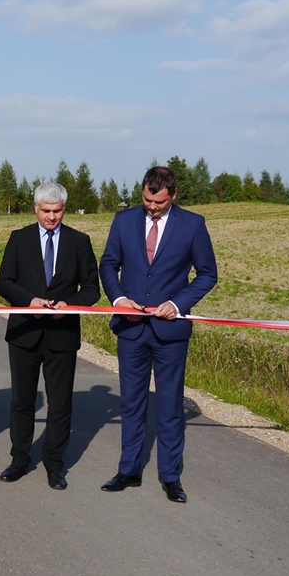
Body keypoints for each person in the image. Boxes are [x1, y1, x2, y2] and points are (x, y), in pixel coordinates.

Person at [99, 166, 218, 503]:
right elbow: (108, 264)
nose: (152, 206)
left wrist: (177, 303)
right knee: (132, 403)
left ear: (173, 195)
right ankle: (128, 471)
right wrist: (119, 298)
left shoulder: (193, 225)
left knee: (169, 406)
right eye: (148, 199)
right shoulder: (123, 221)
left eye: (159, 202)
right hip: (131, 330)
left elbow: (208, 274)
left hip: (171, 333)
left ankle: (170, 477)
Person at [0, 182, 100, 490]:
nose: (51, 217)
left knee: (60, 404)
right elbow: (4, 282)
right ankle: (19, 460)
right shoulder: (19, 239)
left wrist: (71, 306)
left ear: (64, 209)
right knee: (22, 402)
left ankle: (55, 465)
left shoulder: (80, 242)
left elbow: (92, 288)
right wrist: (29, 301)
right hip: (24, 333)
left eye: (57, 211)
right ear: (35, 209)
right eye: (46, 211)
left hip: (62, 335)